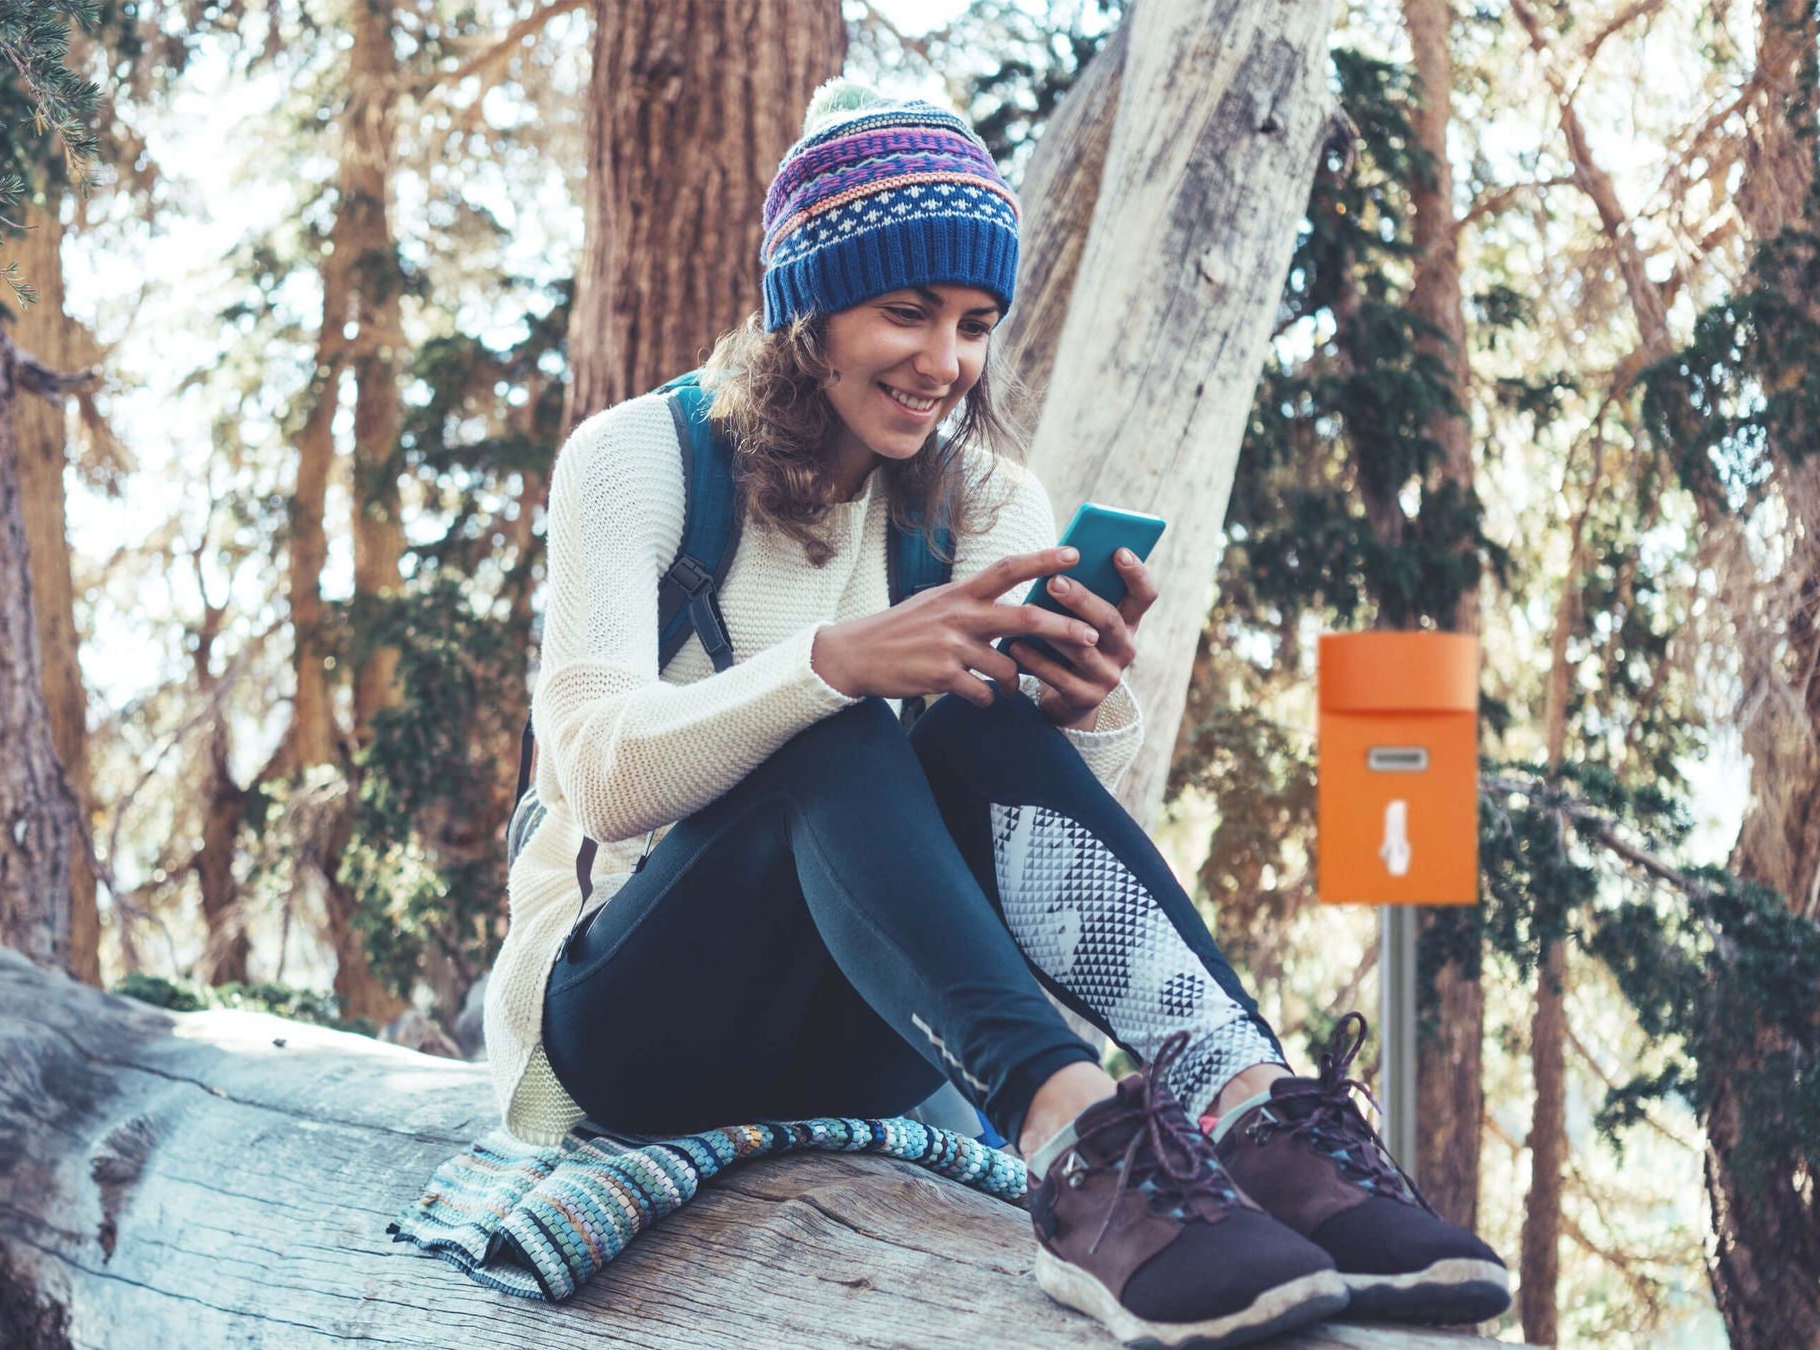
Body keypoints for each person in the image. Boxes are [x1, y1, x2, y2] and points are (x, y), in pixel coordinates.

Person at [484, 79, 1509, 1347]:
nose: (944, 364)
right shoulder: (638, 458)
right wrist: (835, 660)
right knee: (839, 729)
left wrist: (1073, 702)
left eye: (973, 323)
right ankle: (1081, 1154)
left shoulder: (976, 498)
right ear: (805, 311)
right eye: (904, 312)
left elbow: (995, 823)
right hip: (625, 1029)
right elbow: (592, 777)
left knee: (970, 724)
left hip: (870, 1037)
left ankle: (1249, 1110)